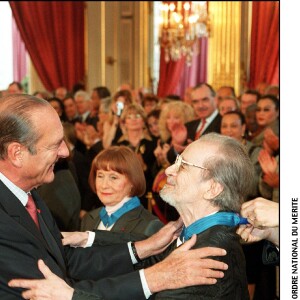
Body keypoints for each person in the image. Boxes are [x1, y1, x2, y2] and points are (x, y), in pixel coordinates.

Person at [2, 94, 228, 299]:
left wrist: (143, 248)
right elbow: (48, 289)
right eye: (54, 144)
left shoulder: (29, 196)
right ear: (17, 154)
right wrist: (154, 278)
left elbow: (66, 261)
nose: (65, 152)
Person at [153, 133, 255, 299]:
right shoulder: (194, 234)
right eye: (176, 161)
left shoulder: (210, 256)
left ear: (212, 189)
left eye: (183, 165)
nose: (169, 170)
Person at [80, 146, 164, 242]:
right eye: (100, 176)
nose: (104, 185)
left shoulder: (149, 225)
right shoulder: (88, 219)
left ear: (133, 181)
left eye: (113, 177)